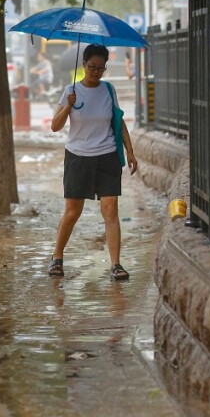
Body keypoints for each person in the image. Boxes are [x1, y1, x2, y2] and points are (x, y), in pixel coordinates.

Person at [47, 44, 138, 281]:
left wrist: (130, 151)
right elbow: (55, 126)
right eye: (91, 67)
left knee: (110, 210)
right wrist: (68, 105)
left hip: (107, 156)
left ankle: (116, 264)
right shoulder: (70, 90)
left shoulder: (108, 90)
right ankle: (57, 257)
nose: (96, 72)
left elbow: (119, 122)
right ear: (84, 65)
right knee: (72, 212)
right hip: (78, 157)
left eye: (100, 68)